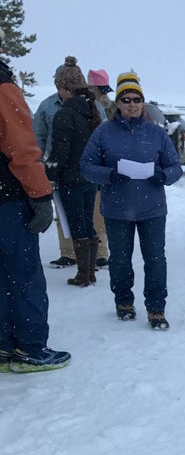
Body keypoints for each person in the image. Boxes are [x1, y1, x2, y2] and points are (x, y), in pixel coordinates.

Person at [80, 71, 182, 330]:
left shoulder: (157, 134)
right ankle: (124, 302)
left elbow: (175, 167)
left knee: (155, 259)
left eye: (137, 99)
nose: (132, 104)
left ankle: (157, 308)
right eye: (126, 99)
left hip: (152, 208)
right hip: (117, 209)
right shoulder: (104, 133)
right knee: (120, 260)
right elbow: (86, 166)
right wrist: (110, 175)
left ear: (143, 102)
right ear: (117, 103)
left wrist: (163, 175)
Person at [0, 45, 71, 372]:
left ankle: (2, 345)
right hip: (9, 200)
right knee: (22, 273)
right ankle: (29, 347)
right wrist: (41, 196)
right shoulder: (3, 87)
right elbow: (23, 149)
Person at [45, 56, 103, 287]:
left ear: (65, 89)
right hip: (90, 177)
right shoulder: (91, 110)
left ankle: (82, 274)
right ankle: (90, 272)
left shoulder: (65, 114)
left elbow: (60, 150)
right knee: (88, 222)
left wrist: (50, 174)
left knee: (77, 224)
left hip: (71, 178)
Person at [33, 64, 76, 269]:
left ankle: (99, 253)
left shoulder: (88, 105)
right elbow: (38, 136)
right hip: (55, 165)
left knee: (92, 210)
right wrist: (40, 162)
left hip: (83, 166)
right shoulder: (47, 105)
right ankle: (68, 252)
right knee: (62, 209)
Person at [86, 68, 115, 268]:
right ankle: (101, 250)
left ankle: (101, 251)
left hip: (100, 166)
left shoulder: (99, 107)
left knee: (98, 210)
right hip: (105, 166)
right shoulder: (112, 106)